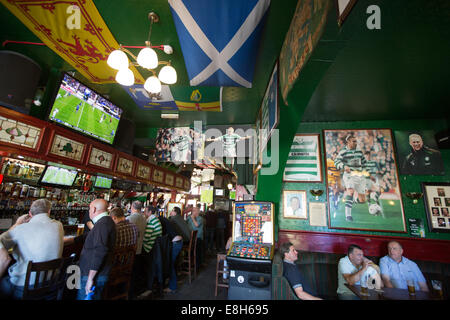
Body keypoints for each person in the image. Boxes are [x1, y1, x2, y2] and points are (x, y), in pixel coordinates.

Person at [0, 199, 64, 299]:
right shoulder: (58, 225)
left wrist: (17, 224)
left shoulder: (20, 229)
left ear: (30, 213)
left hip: (23, 286)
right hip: (51, 283)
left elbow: (1, 241)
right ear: (49, 212)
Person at [76, 199, 116, 300]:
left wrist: (90, 278)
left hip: (94, 275)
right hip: (99, 273)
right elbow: (92, 235)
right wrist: (71, 240)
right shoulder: (105, 222)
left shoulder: (102, 224)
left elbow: (100, 250)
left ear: (93, 209)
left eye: (89, 209)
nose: (89, 211)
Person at [334, 134, 368, 221]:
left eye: (356, 141)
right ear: (348, 142)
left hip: (359, 176)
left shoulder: (359, 151)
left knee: (362, 200)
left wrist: (365, 171)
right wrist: (344, 166)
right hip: (349, 175)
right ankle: (348, 216)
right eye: (354, 141)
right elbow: (336, 162)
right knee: (350, 191)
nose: (356, 143)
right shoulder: (343, 152)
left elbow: (364, 162)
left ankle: (353, 200)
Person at [139, 206, 163, 299]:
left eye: (145, 211)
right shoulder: (155, 220)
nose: (144, 212)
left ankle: (144, 284)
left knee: (137, 257)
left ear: (149, 212)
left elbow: (146, 238)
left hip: (151, 248)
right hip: (155, 247)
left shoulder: (151, 221)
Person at [160, 208, 184, 294]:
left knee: (170, 264)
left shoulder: (159, 220)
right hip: (179, 241)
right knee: (172, 263)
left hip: (176, 243)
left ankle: (172, 287)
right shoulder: (165, 219)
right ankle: (172, 281)